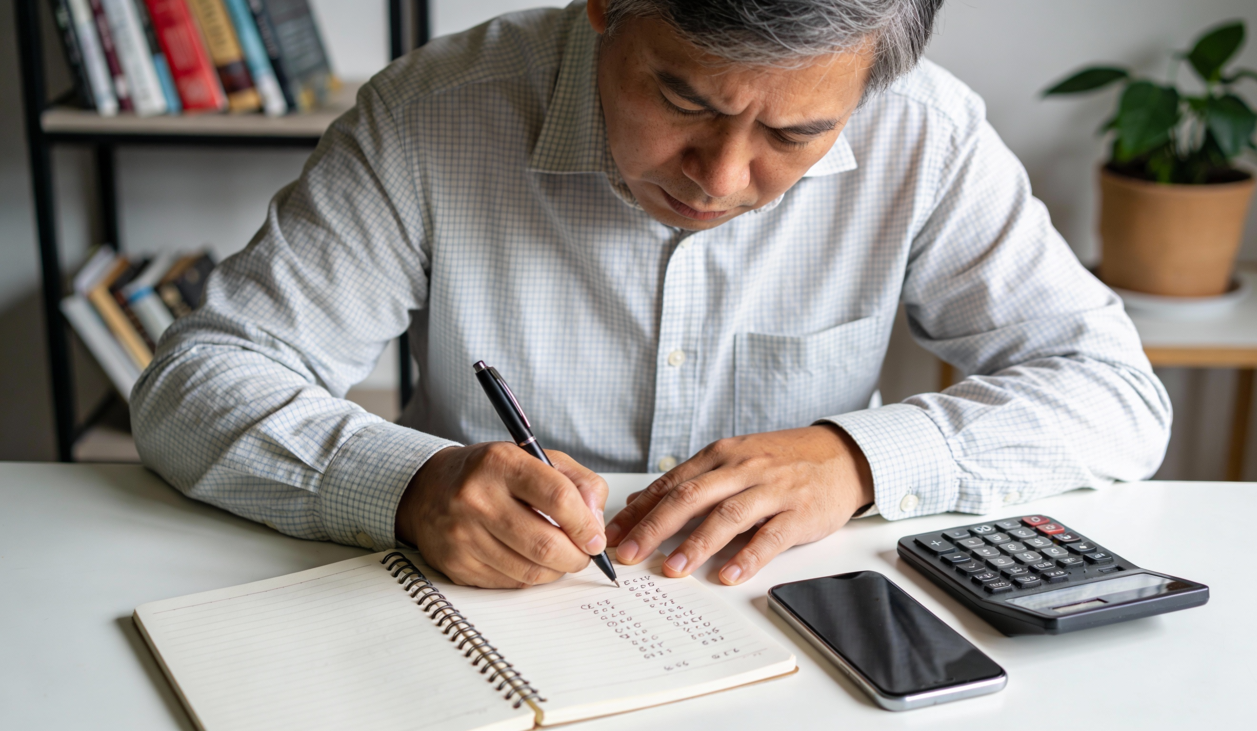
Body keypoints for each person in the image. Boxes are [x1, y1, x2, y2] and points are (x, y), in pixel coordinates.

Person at [131, 0, 1171, 590]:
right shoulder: (435, 113)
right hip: (477, 608)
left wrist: (857, 458)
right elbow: (197, 382)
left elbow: (1113, 393)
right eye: (680, 98)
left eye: (792, 136)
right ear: (603, 11)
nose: (716, 179)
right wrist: (404, 482)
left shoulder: (924, 138)